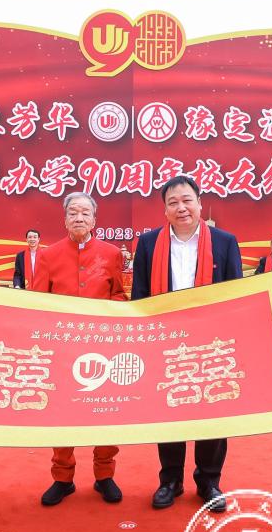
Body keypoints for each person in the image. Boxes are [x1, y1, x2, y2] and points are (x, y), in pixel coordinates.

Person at [132, 175, 243, 513]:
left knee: (213, 411)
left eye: (186, 200)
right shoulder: (148, 244)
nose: (181, 208)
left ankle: (209, 480)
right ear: (165, 210)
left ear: (199, 203)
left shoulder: (225, 242)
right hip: (164, 341)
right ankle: (170, 480)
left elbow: (237, 294)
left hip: (213, 342)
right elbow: (139, 295)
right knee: (168, 410)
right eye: (173, 202)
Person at [32, 194, 127, 506]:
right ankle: (63, 478)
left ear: (94, 220)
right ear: (64, 219)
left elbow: (119, 295)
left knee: (107, 411)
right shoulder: (49, 255)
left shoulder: (112, 253)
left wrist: (106, 316)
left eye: (85, 213)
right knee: (62, 413)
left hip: (103, 348)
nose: (79, 218)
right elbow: (38, 301)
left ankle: (104, 474)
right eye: (73, 213)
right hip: (62, 348)